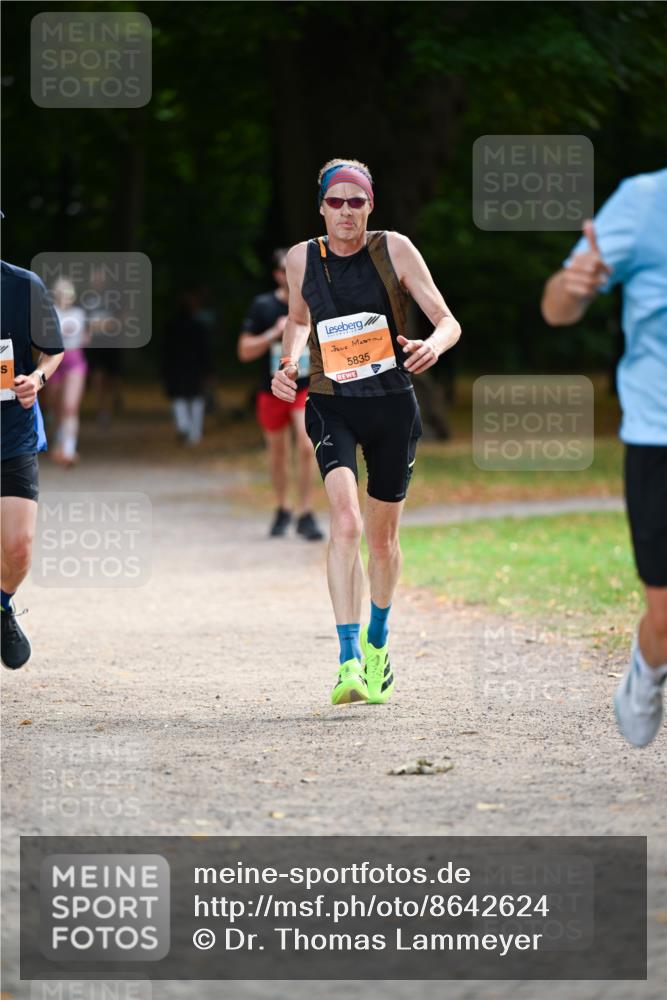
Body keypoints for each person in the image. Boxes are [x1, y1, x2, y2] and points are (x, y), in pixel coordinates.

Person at [271, 159, 461, 705]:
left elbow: (447, 319)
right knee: (347, 523)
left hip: (392, 407)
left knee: (382, 541)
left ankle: (378, 644)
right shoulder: (302, 257)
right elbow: (299, 319)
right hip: (332, 402)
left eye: (357, 201)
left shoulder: (394, 248)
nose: (347, 211)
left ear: (370, 205)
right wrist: (288, 363)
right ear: (322, 207)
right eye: (337, 202)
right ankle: (348, 659)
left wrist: (433, 345)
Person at [541, 168, 667, 748]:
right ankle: (648, 666)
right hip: (658, 432)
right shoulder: (645, 202)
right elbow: (556, 311)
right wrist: (575, 283)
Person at [1, 257, 64, 669]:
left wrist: (36, 380)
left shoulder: (24, 286)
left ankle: (2, 605)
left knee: (19, 547)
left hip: (12, 434)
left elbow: (53, 352)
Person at [238, 248, 324, 540]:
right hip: (271, 390)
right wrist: (272, 334)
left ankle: (306, 511)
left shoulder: (315, 302)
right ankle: (283, 508)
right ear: (277, 274)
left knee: (304, 443)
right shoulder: (262, 306)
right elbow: (244, 351)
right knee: (277, 453)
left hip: (304, 387)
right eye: (288, 268)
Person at [45, 276, 88, 466]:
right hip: (53, 362)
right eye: (61, 291)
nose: (65, 295)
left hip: (74, 362)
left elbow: (86, 337)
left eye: (68, 291)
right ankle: (57, 441)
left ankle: (69, 450)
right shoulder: (49, 313)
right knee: (55, 407)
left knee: (70, 407)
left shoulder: (79, 313)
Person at [163, 288, 211, 446]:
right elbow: (205, 351)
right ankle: (194, 433)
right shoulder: (198, 327)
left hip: (177, 368)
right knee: (196, 398)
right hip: (193, 368)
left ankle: (184, 426)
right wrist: (208, 370)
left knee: (180, 398)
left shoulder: (171, 326)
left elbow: (165, 351)